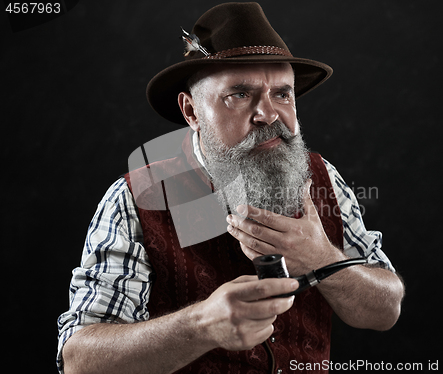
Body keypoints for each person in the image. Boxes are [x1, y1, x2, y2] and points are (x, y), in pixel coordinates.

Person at [57, 2, 405, 374]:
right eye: (239, 94)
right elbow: (79, 362)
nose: (268, 114)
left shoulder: (321, 177)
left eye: (282, 94)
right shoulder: (137, 198)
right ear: (191, 112)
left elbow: (386, 309)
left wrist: (323, 259)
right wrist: (200, 326)